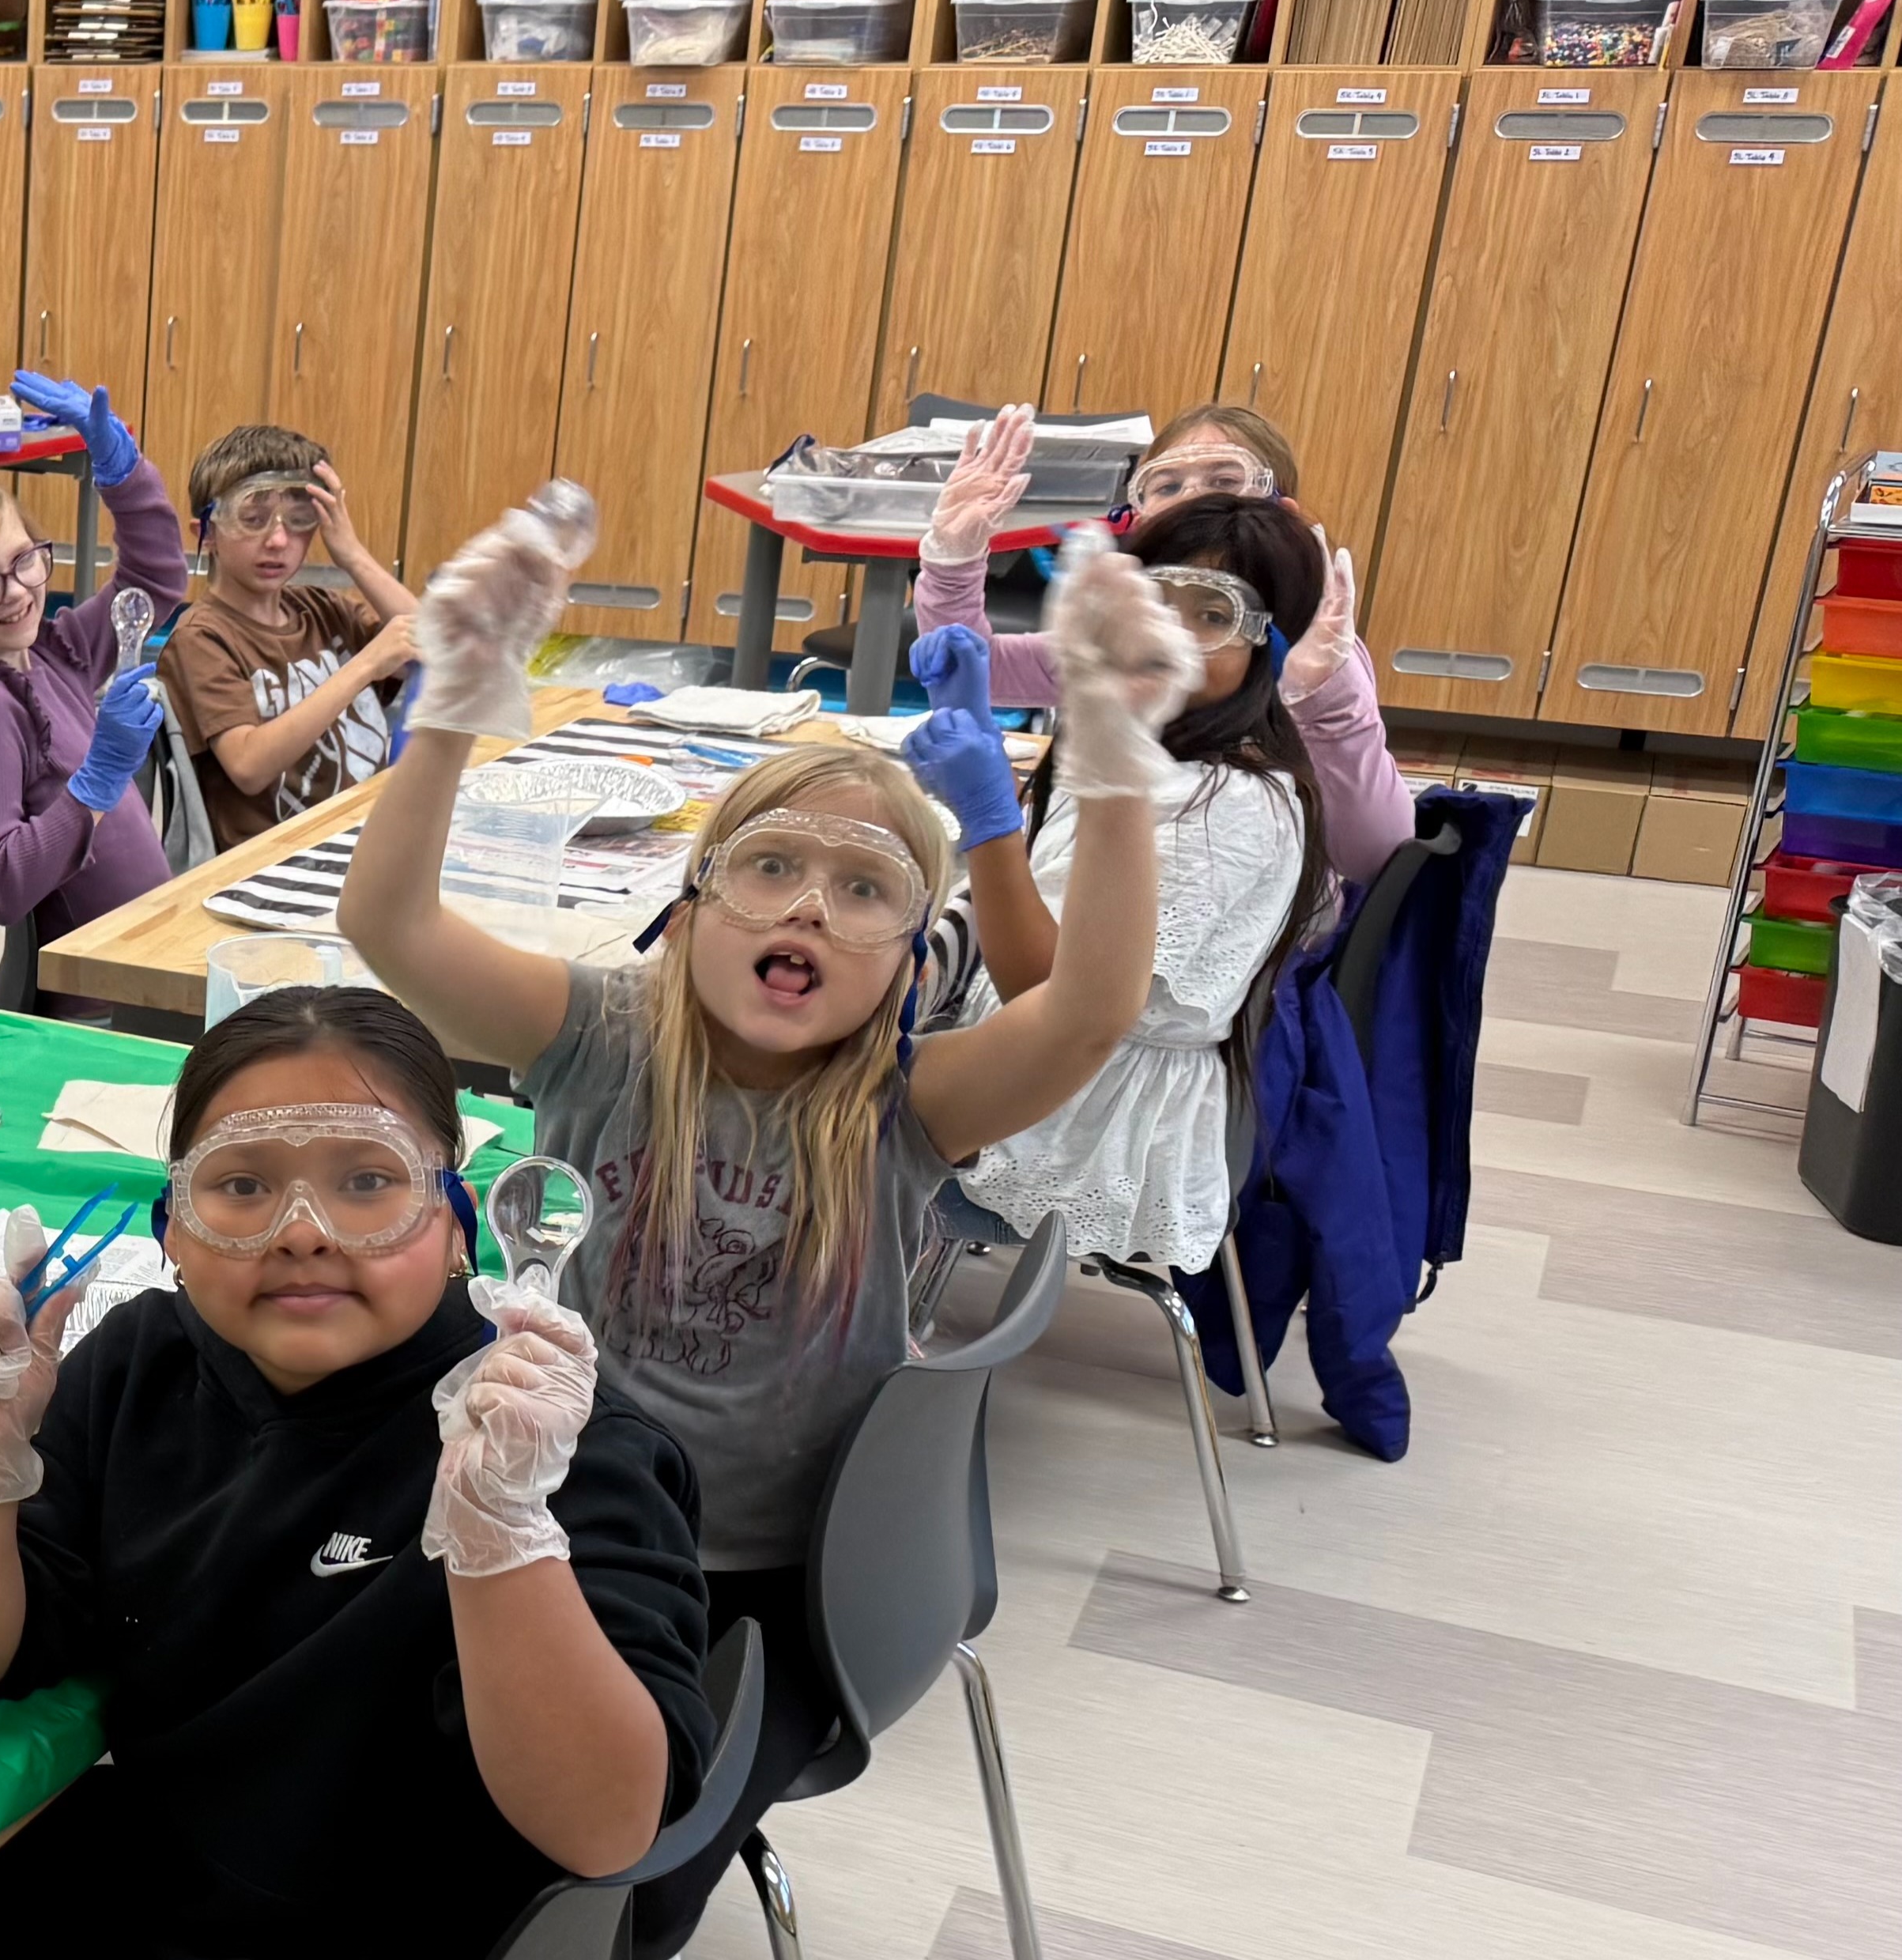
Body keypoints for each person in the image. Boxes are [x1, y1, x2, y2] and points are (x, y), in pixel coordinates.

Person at [330, 483, 1198, 1958]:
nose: (806, 910)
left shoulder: (908, 1110)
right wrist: (455, 696)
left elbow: (1097, 1000)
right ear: (695, 895)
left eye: (863, 890)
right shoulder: (600, 1032)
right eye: (770, 868)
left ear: (914, 964)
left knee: (603, 1885)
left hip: (759, 1589)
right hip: (561, 1522)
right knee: (365, 1776)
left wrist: (1110, 752)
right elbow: (388, 926)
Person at [0, 984, 713, 1955]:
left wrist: (503, 1529)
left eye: (368, 1181)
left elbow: (606, 1826)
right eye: (241, 1186)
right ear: (173, 1232)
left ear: (458, 1225)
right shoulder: (140, 1363)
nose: (302, 1229)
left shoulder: (555, 1451)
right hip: (160, 1874)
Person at [911, 494, 1332, 1275]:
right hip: (1037, 1064)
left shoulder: (1228, 805)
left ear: (1268, 646)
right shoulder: (1136, 734)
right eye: (1151, 599)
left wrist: (990, 816)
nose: (1165, 634)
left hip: (1078, 1122)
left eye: (1211, 615)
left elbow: (1050, 993)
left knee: (802, 1110)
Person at [919, 402, 1411, 882]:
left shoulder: (1316, 657)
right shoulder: (1122, 641)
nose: (1190, 499)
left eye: (1224, 480)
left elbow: (1378, 856)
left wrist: (1323, 701)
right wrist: (953, 561)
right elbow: (975, 671)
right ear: (1135, 518)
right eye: (1168, 485)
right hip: (1109, 892)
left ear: (1280, 513)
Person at [0, 371, 187, 1010]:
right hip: (93, 1009)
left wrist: (122, 470)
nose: (20, 591)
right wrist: (99, 782)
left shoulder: (51, 654)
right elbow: (0, 882)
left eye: (25, 559)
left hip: (138, 968)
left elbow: (157, 582)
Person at [152, 424, 427, 851]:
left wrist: (351, 554)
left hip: (362, 843)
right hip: (272, 870)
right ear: (207, 533)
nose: (278, 540)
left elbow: (435, 649)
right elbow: (248, 764)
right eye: (252, 519)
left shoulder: (324, 610)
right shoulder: (201, 638)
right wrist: (365, 665)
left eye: (299, 520)